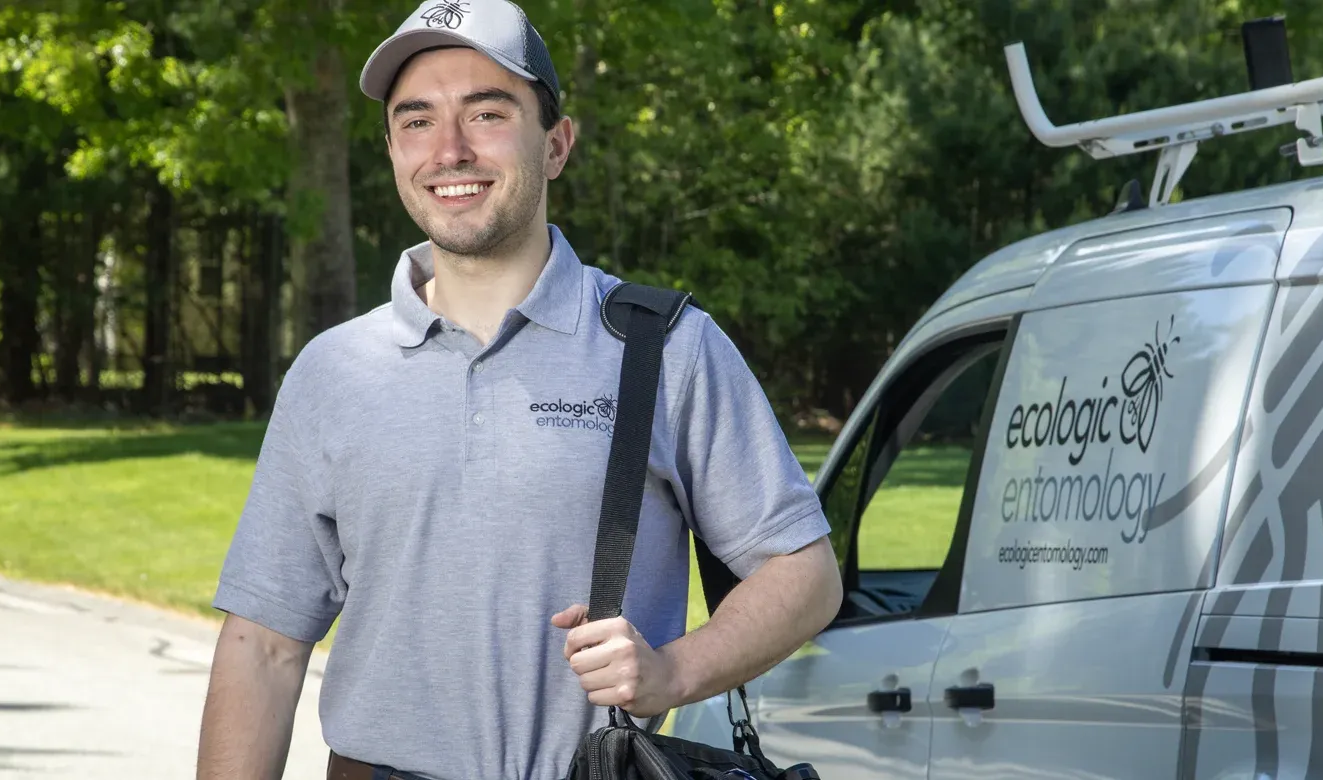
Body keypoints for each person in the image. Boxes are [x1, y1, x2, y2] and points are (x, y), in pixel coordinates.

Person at [196, 1, 842, 777]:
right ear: (393, 150)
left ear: (557, 144)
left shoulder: (664, 348)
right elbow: (262, 646)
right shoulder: (333, 370)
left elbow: (804, 576)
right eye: (417, 121)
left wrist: (674, 672)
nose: (450, 151)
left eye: (487, 113)